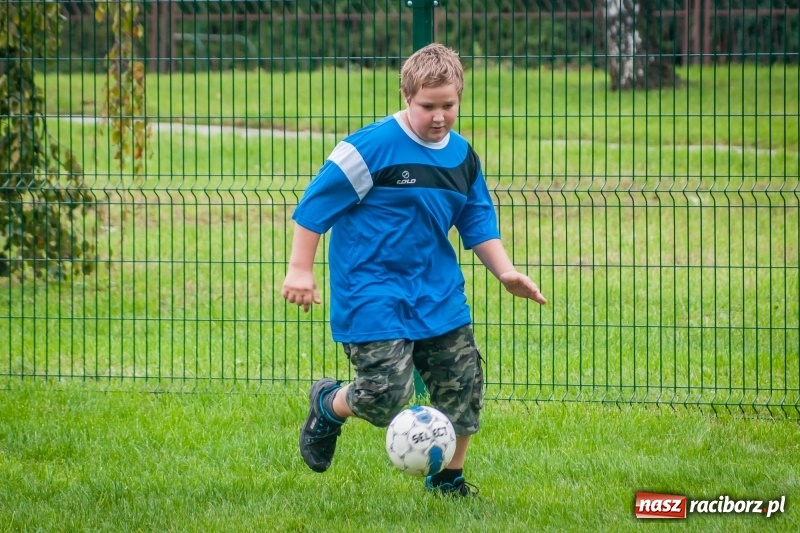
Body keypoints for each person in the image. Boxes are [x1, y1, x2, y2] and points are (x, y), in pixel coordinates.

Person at [282, 43, 547, 497]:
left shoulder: (461, 156)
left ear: (459, 96)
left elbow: (476, 217)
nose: (439, 116)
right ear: (407, 97)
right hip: (372, 290)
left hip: (436, 291)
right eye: (428, 106)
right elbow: (314, 204)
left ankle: (448, 479)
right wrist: (299, 269)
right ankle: (329, 405)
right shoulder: (370, 148)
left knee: (463, 385)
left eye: (449, 105)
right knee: (385, 396)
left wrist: (505, 272)